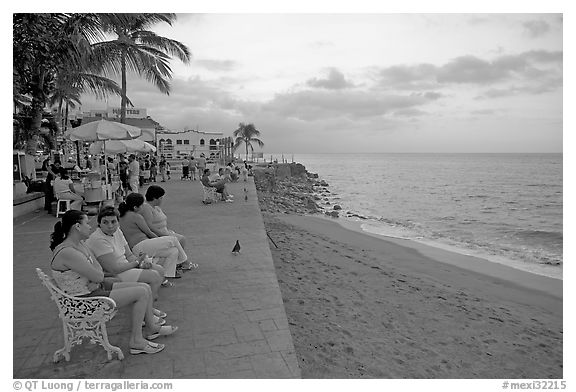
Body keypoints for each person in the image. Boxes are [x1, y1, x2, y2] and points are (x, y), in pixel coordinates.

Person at [50, 210, 177, 355]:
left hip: (92, 291)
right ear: (77, 227)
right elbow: (98, 275)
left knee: (144, 287)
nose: (90, 227)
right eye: (86, 223)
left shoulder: (79, 245)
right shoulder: (68, 251)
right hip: (82, 302)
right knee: (141, 292)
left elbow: (97, 268)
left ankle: (152, 327)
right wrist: (95, 277)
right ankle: (137, 341)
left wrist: (95, 277)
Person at [85, 207, 165, 300]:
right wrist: (136, 263)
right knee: (154, 276)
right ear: (99, 223)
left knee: (160, 270)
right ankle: (149, 305)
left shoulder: (117, 231)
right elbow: (113, 269)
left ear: (118, 222)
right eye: (105, 222)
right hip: (114, 273)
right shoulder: (98, 239)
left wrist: (141, 263)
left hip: (126, 266)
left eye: (113, 222)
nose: (110, 226)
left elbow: (129, 255)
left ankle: (148, 302)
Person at [118, 193, 189, 279]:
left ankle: (167, 274)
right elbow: (149, 232)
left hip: (138, 247)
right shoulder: (136, 216)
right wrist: (161, 239)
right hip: (141, 245)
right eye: (141, 206)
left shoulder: (122, 216)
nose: (142, 208)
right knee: (173, 240)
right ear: (135, 207)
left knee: (173, 251)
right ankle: (184, 261)